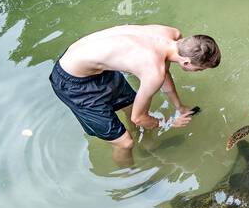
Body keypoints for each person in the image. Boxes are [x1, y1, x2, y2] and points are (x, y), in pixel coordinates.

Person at [49, 25, 219, 162]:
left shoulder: (171, 34)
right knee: (125, 143)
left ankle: (149, 146)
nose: (198, 72)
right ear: (187, 62)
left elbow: (164, 73)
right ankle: (131, 178)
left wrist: (179, 106)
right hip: (72, 83)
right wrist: (169, 122)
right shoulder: (153, 70)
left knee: (131, 107)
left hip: (98, 69)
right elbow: (139, 118)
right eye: (199, 69)